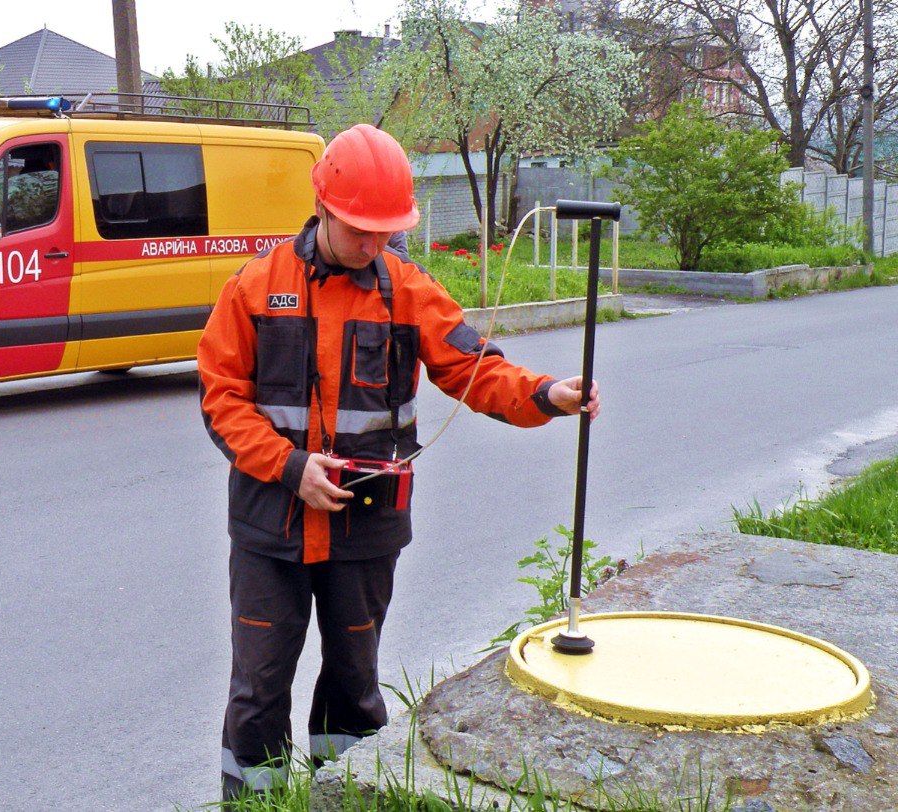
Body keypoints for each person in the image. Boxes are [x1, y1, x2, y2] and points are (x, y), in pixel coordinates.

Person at [196, 124, 600, 802]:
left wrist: (546, 395)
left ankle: (344, 795)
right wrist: (290, 467)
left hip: (365, 530)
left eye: (386, 232)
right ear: (323, 206)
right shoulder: (256, 287)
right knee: (259, 687)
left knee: (355, 682)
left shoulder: (407, 290)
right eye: (361, 230)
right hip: (271, 529)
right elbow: (221, 397)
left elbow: (475, 369)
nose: (375, 244)